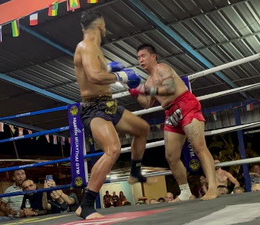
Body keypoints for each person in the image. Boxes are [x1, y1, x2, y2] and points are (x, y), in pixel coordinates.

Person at [74, 11, 155, 220]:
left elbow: (93, 73)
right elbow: (93, 76)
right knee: (113, 149)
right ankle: (86, 205)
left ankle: (135, 172)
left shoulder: (94, 49)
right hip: (94, 108)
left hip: (108, 105)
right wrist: (121, 75)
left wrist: (110, 68)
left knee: (142, 129)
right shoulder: (86, 46)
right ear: (100, 24)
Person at [130, 43, 218, 201]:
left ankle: (212, 187)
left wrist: (145, 89)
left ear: (153, 56)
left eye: (143, 56)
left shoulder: (162, 68)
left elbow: (169, 89)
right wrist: (133, 90)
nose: (140, 60)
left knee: (199, 147)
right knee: (171, 156)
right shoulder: (149, 81)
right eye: (138, 57)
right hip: (170, 113)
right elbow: (146, 104)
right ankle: (185, 192)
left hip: (186, 105)